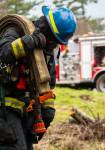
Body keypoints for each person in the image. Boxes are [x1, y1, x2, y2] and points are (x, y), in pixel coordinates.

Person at [0, 5, 77, 150]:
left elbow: (48, 84)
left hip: (27, 110)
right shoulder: (15, 30)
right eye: (53, 39)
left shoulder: (49, 49)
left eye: (56, 42)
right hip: (5, 106)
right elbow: (4, 53)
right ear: (46, 27)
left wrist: (47, 112)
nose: (53, 44)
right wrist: (29, 42)